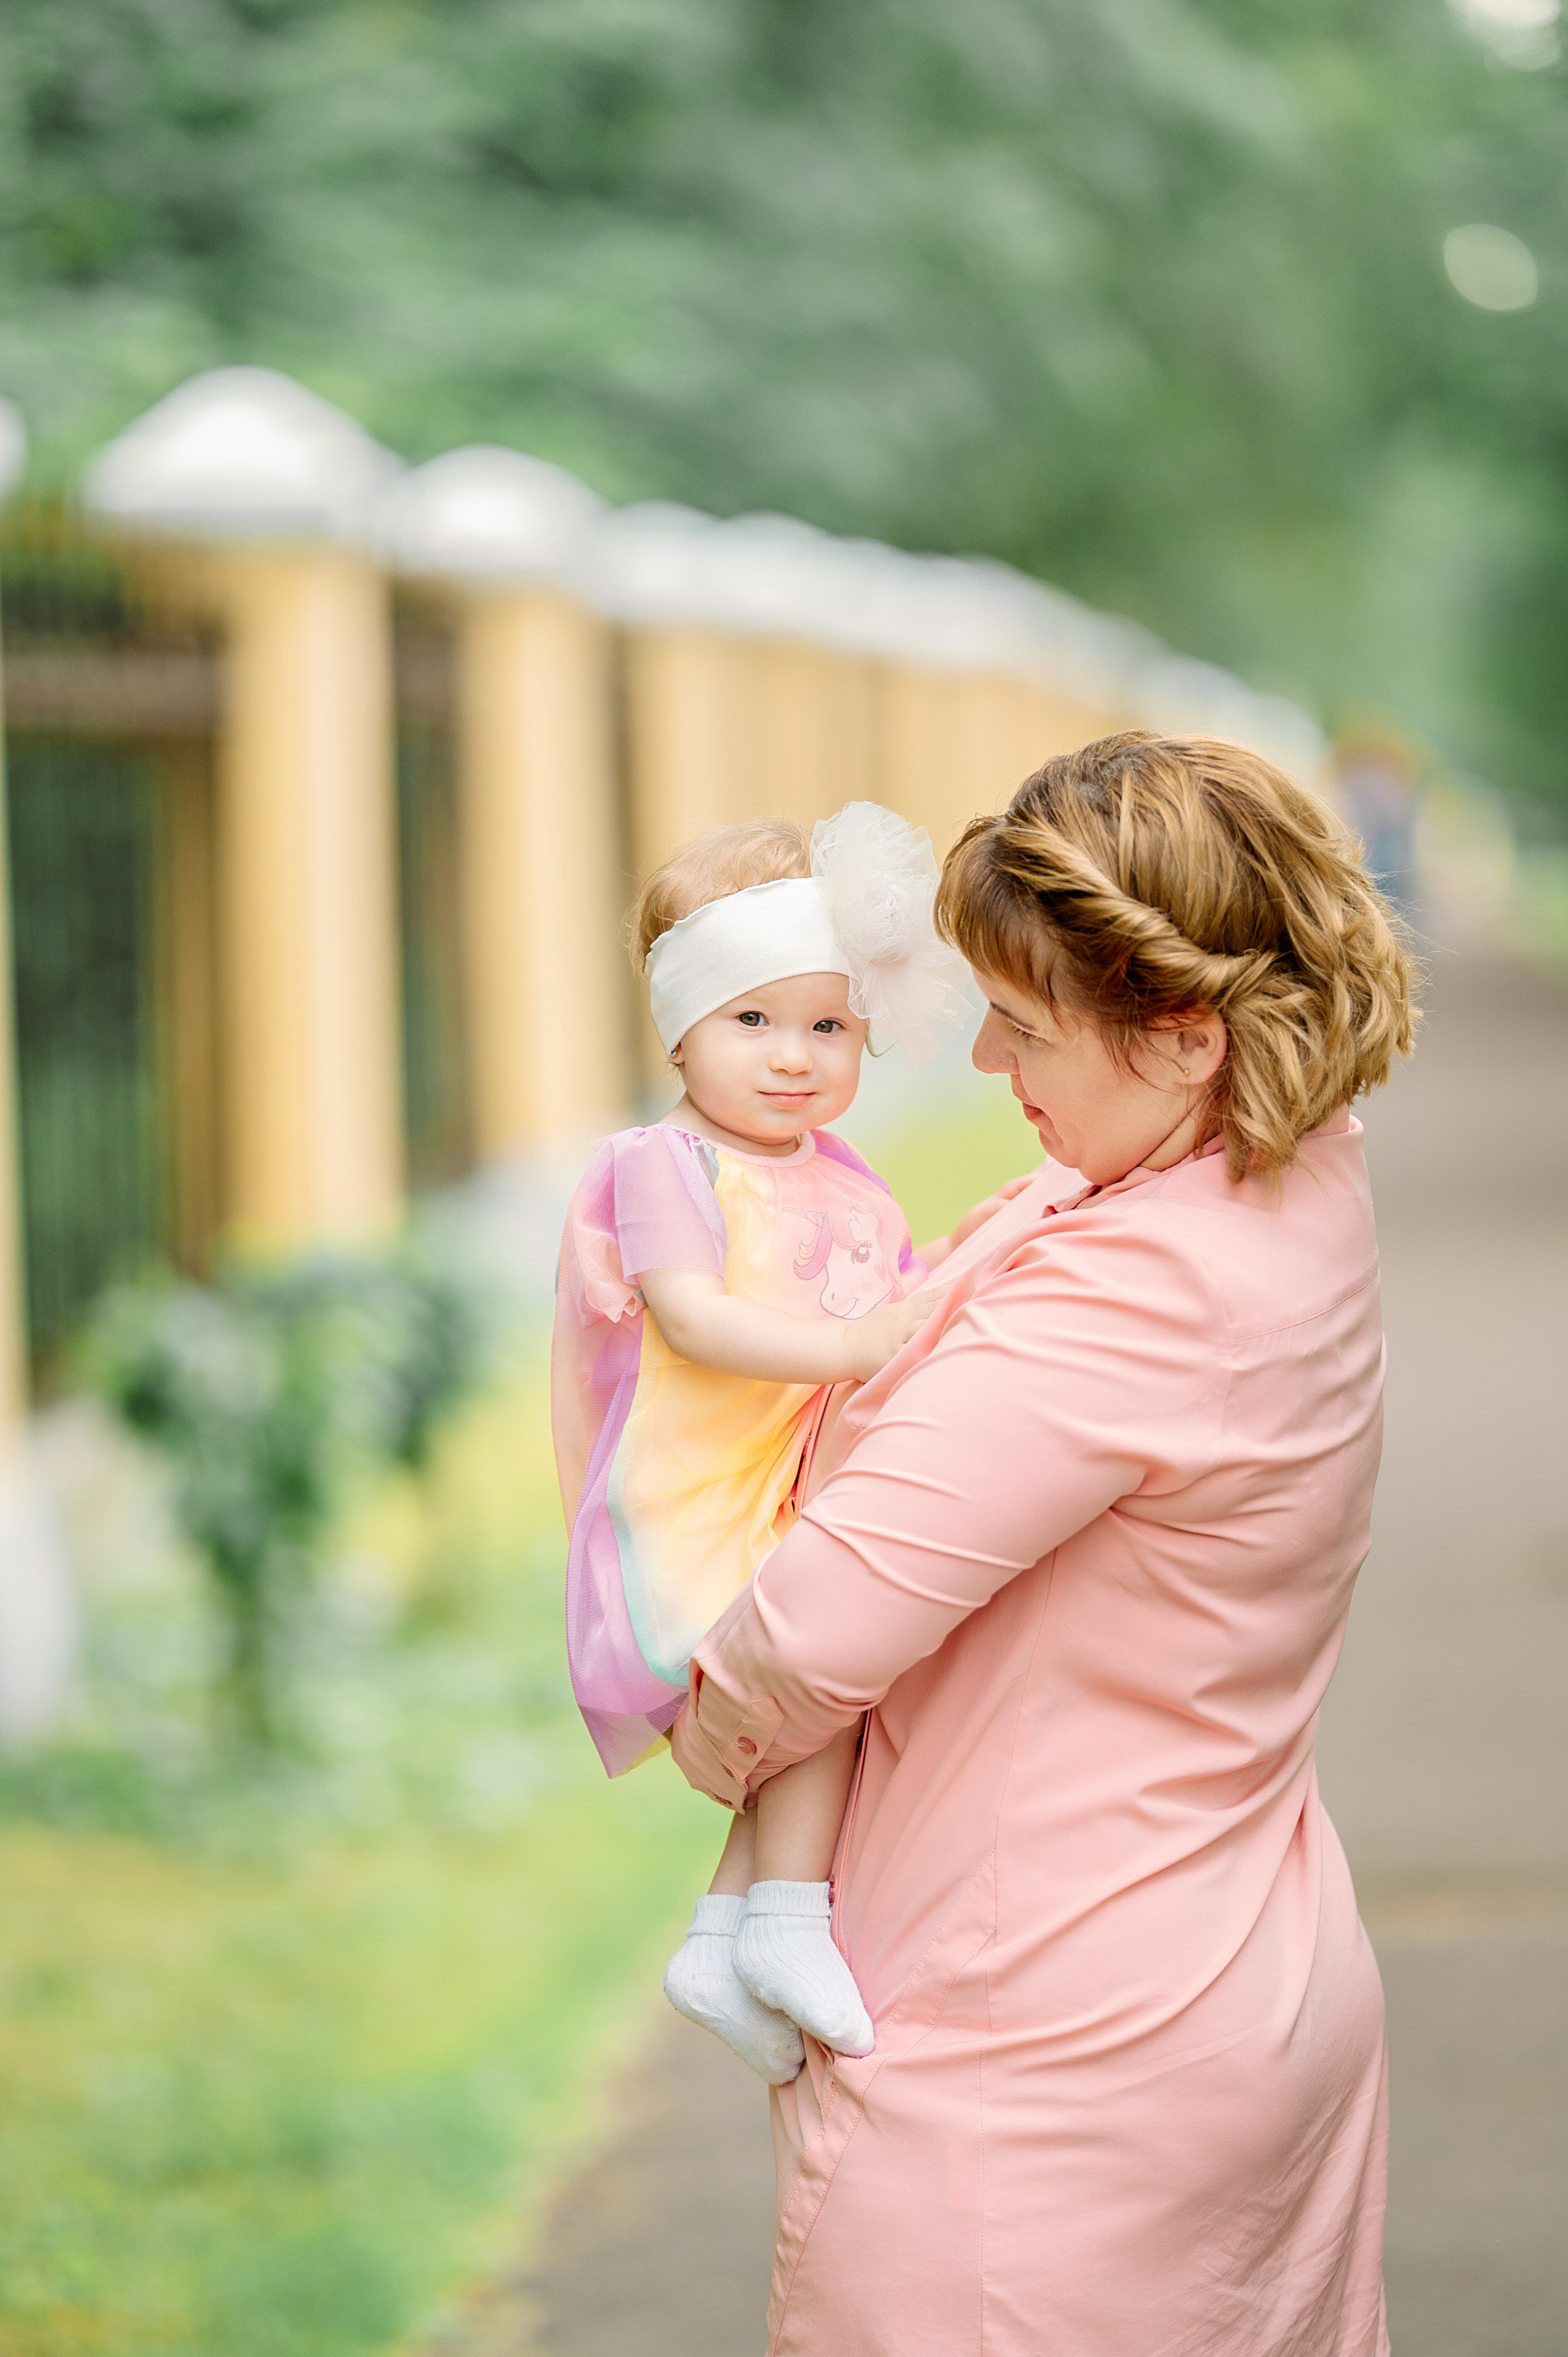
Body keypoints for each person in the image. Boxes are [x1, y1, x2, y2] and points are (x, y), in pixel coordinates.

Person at [671, 731, 1418, 2357]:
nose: (993, 1069)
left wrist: (689, 1716)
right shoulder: (1282, 1182)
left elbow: (806, 1637)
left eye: (1023, 1027)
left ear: (1183, 1032)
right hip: (1226, 1974)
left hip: (1043, 2061)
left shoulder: (1139, 1293)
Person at [551, 801, 969, 2086]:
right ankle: (787, 1920)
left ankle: (727, 1928)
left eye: (828, 1026)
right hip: (700, 1495)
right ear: (680, 1025)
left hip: (783, 1486)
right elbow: (694, 1318)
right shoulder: (662, 1165)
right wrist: (854, 1350)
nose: (793, 1058)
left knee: (829, 1676)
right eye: (753, 1021)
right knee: (820, 1667)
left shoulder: (839, 1173)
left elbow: (894, 1290)